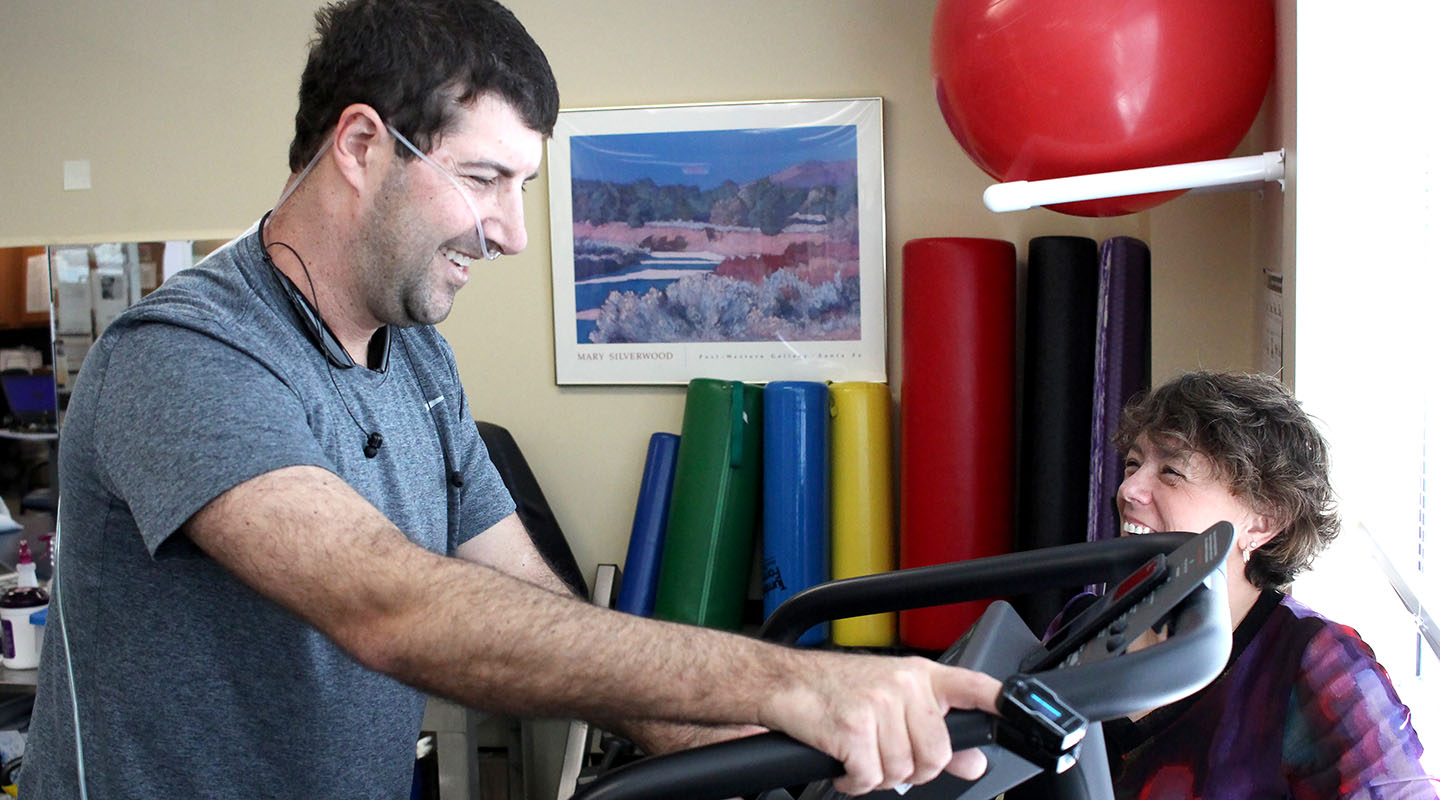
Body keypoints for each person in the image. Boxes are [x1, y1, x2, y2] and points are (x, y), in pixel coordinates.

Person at [18, 1, 1002, 797]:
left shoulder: (417, 360)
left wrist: (744, 745)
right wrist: (797, 676)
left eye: (520, 184)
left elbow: (527, 595)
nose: (513, 232)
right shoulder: (186, 354)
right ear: (360, 146)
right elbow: (391, 605)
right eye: (486, 177)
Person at [1106, 370, 1436, 799]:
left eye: (1171, 471)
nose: (1129, 488)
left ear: (1263, 522)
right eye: (1133, 464)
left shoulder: (1318, 662)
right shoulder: (1086, 626)